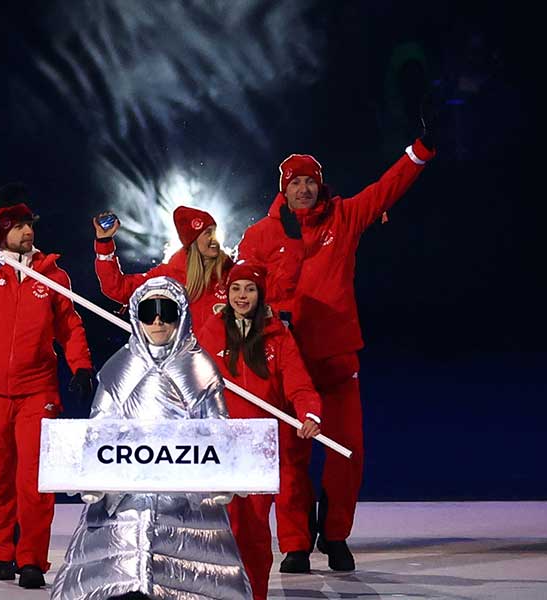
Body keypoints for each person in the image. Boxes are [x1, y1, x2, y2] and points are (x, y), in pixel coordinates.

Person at [237, 116, 437, 572]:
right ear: (283, 191)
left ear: (320, 186)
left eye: (311, 181)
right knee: (291, 456)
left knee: (348, 452)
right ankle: (294, 542)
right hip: (286, 363)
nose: (304, 189)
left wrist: (420, 150)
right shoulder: (263, 234)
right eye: (296, 183)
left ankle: (336, 534)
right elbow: (240, 290)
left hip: (336, 358)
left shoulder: (344, 218)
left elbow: (386, 189)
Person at [51, 276, 252, 600]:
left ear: (181, 315)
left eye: (166, 311)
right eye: (148, 311)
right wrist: (92, 476)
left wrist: (222, 477)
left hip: (186, 500)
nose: (157, 320)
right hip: (125, 499)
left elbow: (218, 429)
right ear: (136, 315)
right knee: (120, 572)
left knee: (189, 580)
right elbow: (100, 428)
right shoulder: (120, 367)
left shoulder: (199, 367)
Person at [0, 188, 96, 589]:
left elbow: (70, 326)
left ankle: (31, 559)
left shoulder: (51, 274)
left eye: (28, 224)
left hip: (38, 392)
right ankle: (1, 552)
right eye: (16, 226)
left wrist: (81, 366)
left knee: (34, 480)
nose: (26, 231)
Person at [196, 262, 322, 597]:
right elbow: (191, 382)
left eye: (249, 289)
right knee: (218, 531)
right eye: (236, 288)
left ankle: (255, 594)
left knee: (252, 531)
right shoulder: (212, 331)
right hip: (219, 447)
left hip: (260, 449)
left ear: (260, 293)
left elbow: (300, 385)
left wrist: (310, 414)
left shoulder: (278, 336)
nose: (242, 296)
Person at [93, 206, 232, 331]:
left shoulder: (232, 273)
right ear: (192, 241)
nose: (214, 239)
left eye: (214, 232)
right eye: (208, 233)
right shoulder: (168, 276)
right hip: (188, 357)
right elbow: (120, 289)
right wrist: (104, 245)